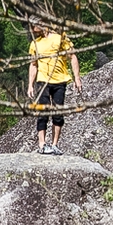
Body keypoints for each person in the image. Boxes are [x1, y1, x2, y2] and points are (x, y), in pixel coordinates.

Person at [27, 22, 82, 156]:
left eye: (34, 27)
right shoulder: (35, 44)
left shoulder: (60, 38)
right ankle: (42, 145)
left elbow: (73, 56)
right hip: (42, 81)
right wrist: (30, 84)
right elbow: (33, 65)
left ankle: (55, 145)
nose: (32, 30)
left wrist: (77, 78)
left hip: (60, 80)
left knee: (58, 114)